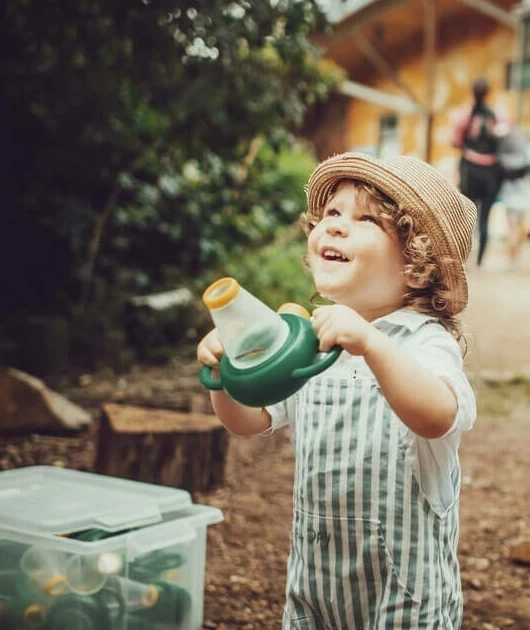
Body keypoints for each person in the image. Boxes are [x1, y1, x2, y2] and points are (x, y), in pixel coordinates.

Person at [196, 152, 478, 629]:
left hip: (403, 598)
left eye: (366, 220)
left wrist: (371, 343)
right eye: (331, 213)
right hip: (316, 586)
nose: (336, 225)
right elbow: (249, 421)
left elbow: (438, 416)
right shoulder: (304, 340)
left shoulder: (424, 342)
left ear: (416, 267)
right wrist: (225, 377)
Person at [450, 77, 506, 268]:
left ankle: (464, 259)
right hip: (491, 172)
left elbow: (455, 142)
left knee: (467, 215)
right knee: (484, 218)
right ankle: (480, 261)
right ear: (488, 92)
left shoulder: (465, 115)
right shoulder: (496, 115)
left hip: (470, 170)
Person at [494, 128, 530, 271]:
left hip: (509, 194)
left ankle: (512, 260)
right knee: (520, 228)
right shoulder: (527, 150)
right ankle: (516, 259)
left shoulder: (503, 153)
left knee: (512, 229)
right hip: (524, 193)